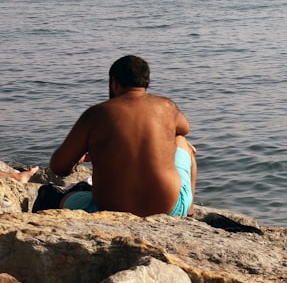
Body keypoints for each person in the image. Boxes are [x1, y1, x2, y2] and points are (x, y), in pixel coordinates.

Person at [49, 55, 197, 217]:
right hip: (171, 210)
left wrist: (87, 157)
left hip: (108, 212)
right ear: (146, 82)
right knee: (181, 141)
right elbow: (185, 128)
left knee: (66, 198)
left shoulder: (96, 114)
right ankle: (189, 213)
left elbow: (59, 167)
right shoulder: (166, 106)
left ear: (114, 83)